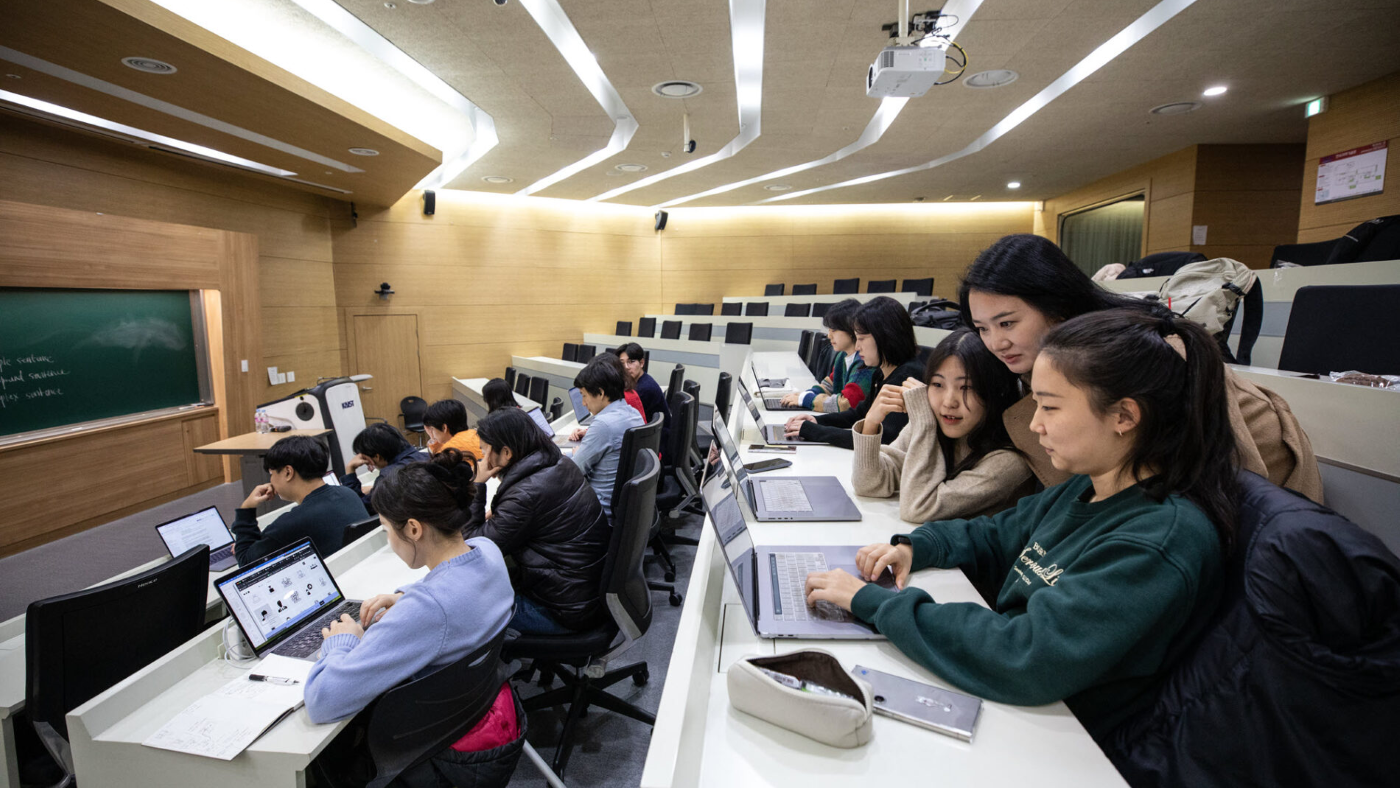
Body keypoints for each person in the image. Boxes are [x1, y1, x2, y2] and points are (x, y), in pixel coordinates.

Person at [807, 309, 1240, 743]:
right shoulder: (1088, 486)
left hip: (1061, 739)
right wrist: (917, 547)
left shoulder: (1159, 540)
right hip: (1020, 702)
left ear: (1124, 416)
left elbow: (1026, 654)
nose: (1034, 424)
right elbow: (995, 534)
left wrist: (875, 604)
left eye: (1049, 407)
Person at [959, 233, 1321, 501]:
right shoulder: (1048, 366)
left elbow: (1238, 486)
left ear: (1056, 308)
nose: (994, 343)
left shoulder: (1157, 354)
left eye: (1007, 324)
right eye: (982, 328)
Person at [304, 450, 522, 784]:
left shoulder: (428, 610)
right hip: (479, 718)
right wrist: (405, 595)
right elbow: (449, 584)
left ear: (414, 529)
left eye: (387, 531)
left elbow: (323, 700)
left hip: (433, 752)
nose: (389, 541)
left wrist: (341, 642)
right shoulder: (487, 551)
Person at [852, 328, 1033, 524]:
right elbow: (869, 484)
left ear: (994, 391)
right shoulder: (934, 426)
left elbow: (918, 509)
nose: (949, 402)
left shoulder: (1009, 462)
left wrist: (924, 424)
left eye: (966, 387)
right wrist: (870, 423)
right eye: (938, 385)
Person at [468, 407, 612, 634]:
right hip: (584, 593)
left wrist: (477, 484)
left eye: (485, 451)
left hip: (564, 611)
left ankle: (503, 665)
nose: (483, 459)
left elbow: (473, 549)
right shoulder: (559, 463)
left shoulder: (526, 494)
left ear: (506, 453)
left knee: (468, 608)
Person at [784, 296, 923, 449]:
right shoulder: (880, 373)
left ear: (885, 337)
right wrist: (817, 421)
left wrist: (814, 431)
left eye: (862, 339)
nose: (857, 347)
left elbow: (882, 440)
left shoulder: (906, 379)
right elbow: (858, 414)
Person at [231, 435, 368, 566]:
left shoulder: (290, 524)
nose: (271, 481)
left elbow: (246, 562)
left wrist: (246, 508)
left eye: (272, 474)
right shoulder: (348, 494)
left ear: (288, 472)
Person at [568, 356, 646, 519]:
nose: (583, 403)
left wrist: (577, 453)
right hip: (625, 507)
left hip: (597, 511)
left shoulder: (603, 425)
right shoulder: (634, 413)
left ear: (601, 393)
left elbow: (573, 471)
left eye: (584, 395)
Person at [780, 298, 873, 412]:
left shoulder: (864, 361)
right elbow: (830, 385)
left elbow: (846, 404)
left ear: (851, 329)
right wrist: (807, 394)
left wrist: (806, 400)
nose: (829, 336)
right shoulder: (842, 356)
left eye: (834, 330)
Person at [339, 423, 427, 513]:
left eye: (365, 458)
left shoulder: (389, 477)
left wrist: (350, 470)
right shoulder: (429, 456)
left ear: (377, 457)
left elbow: (362, 509)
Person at [616, 342, 671, 447]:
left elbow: (623, 422)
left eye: (631, 362)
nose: (626, 367)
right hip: (654, 438)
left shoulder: (644, 389)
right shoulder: (640, 380)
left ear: (641, 363)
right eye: (622, 363)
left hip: (657, 444)